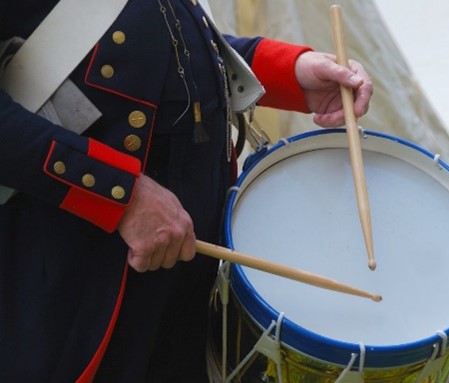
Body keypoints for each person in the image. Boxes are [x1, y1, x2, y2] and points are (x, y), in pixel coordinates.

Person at [0, 0, 373, 381]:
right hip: (75, 282)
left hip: (186, 284)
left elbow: (170, 46)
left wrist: (291, 72)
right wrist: (122, 194)